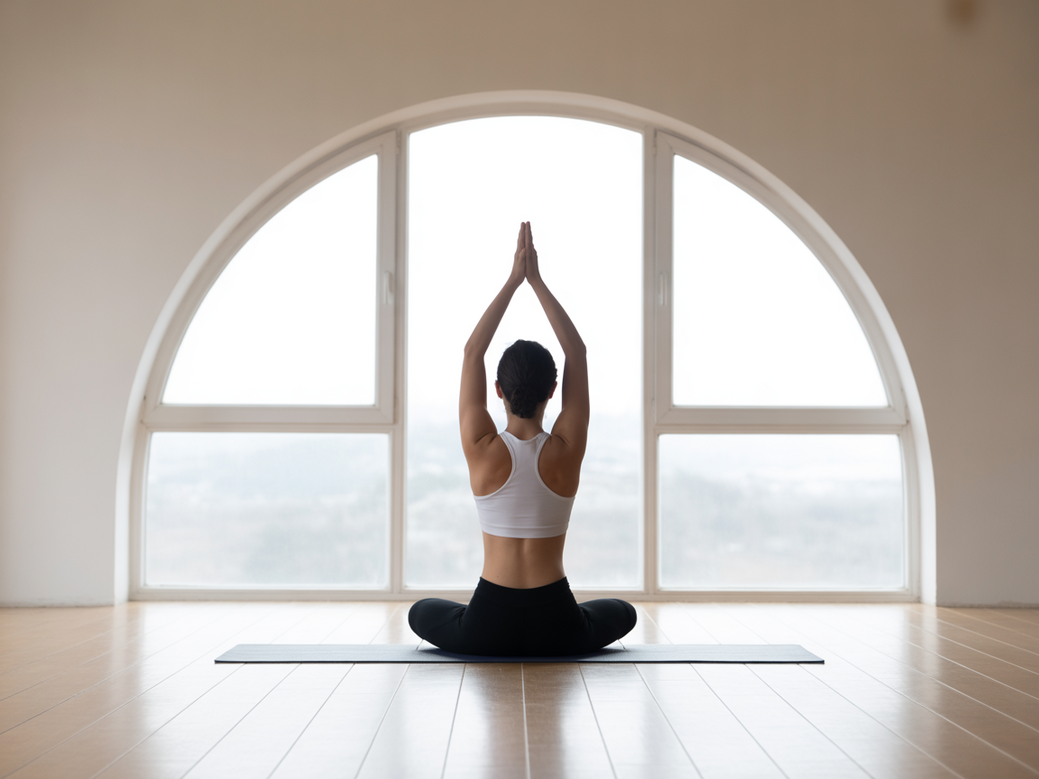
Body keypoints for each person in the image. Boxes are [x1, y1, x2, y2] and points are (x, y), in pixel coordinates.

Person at [408, 222, 637, 656]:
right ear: (554, 391)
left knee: (420, 611)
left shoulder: (481, 447)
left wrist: (514, 281)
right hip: (558, 625)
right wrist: (537, 282)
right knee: (623, 611)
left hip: (486, 624)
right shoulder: (566, 449)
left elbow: (471, 352)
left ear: (497, 390)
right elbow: (578, 353)